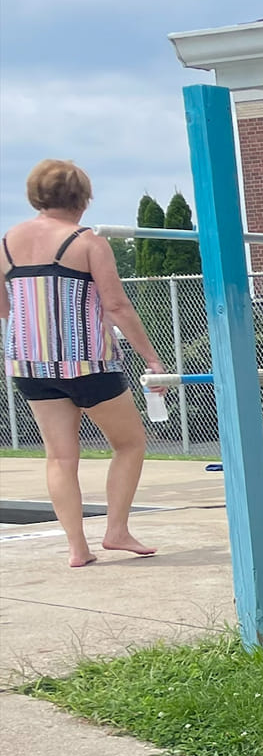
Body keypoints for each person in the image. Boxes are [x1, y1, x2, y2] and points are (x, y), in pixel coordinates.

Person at [2, 159, 165, 568]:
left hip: (29, 364)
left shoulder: (6, 243)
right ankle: (117, 530)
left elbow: (4, 307)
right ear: (83, 198)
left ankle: (78, 548)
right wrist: (152, 357)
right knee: (128, 443)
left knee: (59, 456)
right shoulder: (88, 242)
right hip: (87, 362)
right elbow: (116, 306)